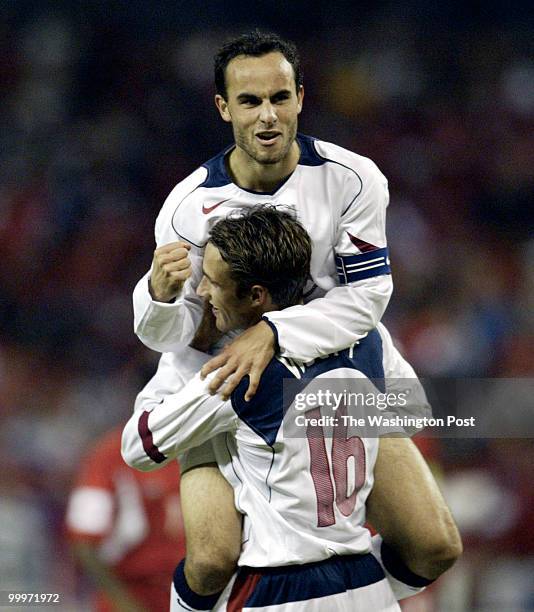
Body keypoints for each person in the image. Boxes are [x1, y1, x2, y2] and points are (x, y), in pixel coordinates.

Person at [132, 29, 395, 596]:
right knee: (210, 561)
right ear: (224, 108)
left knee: (434, 543)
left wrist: (276, 332)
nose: (267, 115)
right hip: (226, 380)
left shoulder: (354, 179)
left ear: (301, 96)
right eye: (250, 102)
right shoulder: (187, 206)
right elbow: (179, 332)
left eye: (279, 98)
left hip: (332, 368)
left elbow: (368, 296)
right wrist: (155, 297)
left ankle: (349, 599)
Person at [123, 207, 461, 611]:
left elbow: (139, 447)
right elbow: (411, 413)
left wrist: (187, 357)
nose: (201, 292)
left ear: (256, 296)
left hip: (278, 589)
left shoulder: (240, 371)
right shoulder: (368, 337)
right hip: (368, 588)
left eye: (212, 283)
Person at [65, 426, 186, 612]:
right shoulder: (112, 453)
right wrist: (125, 604)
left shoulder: (210, 444)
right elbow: (84, 542)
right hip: (134, 592)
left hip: (196, 596)